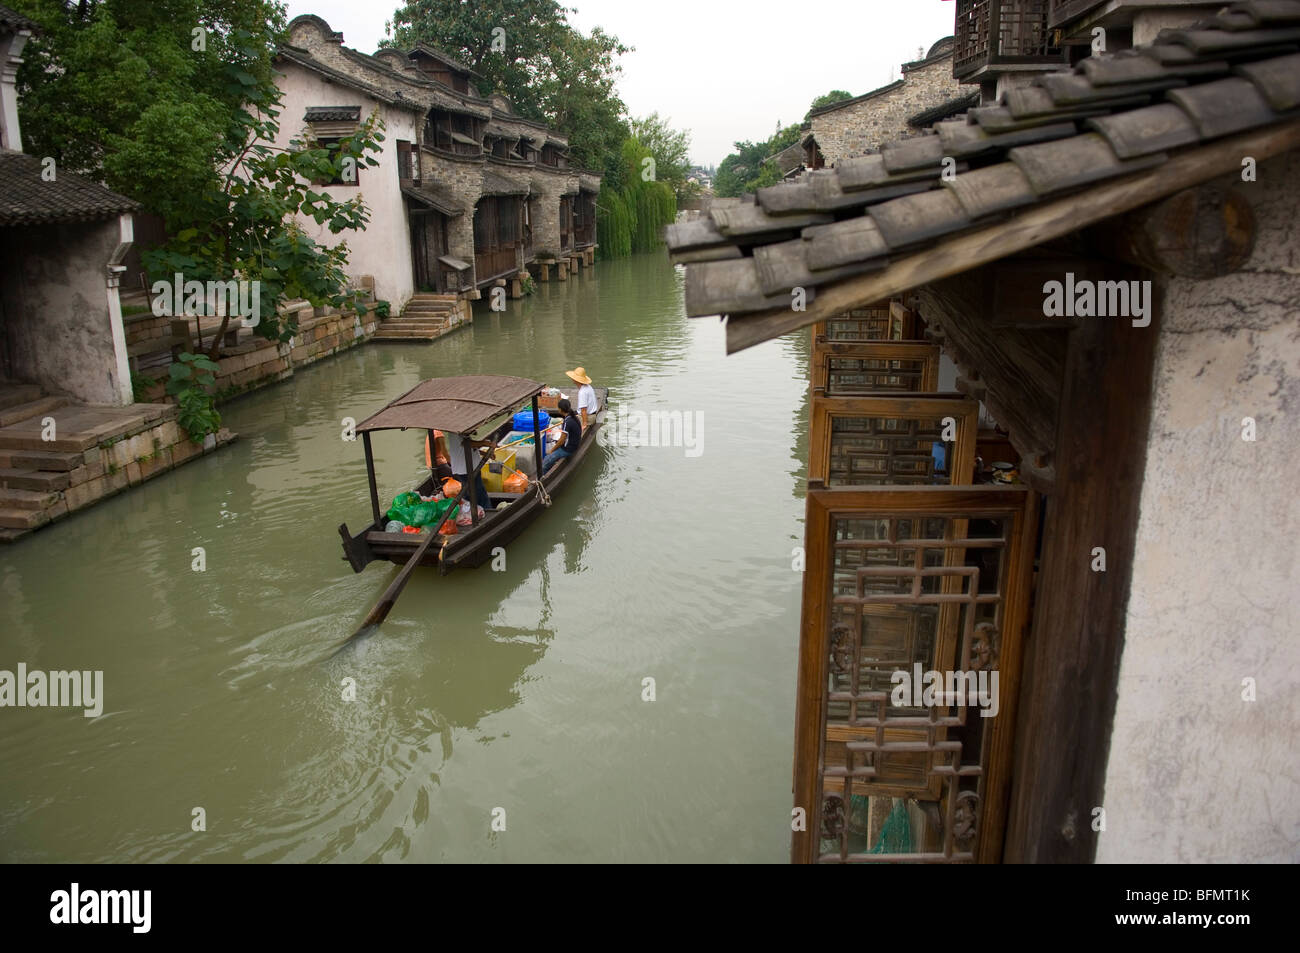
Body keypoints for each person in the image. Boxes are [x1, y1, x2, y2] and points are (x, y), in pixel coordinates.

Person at [542, 398, 582, 473]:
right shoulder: (574, 417)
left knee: (546, 461)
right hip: (575, 445)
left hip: (568, 449)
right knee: (553, 449)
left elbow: (561, 440)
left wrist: (551, 450)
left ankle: (543, 476)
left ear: (560, 409)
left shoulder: (567, 421)